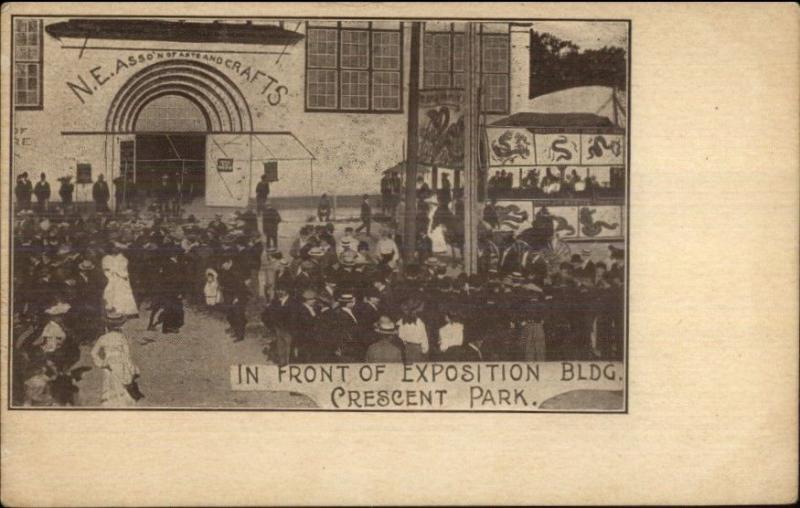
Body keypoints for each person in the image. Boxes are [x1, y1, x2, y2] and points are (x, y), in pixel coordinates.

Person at [90, 311, 141, 407]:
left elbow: (93, 353)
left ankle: (110, 404)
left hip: (108, 364)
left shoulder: (103, 338)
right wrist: (131, 367)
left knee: (109, 384)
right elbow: (127, 354)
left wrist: (101, 363)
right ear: (119, 325)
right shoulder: (121, 338)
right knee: (121, 385)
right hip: (120, 363)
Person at [102, 243, 138, 317]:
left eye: (117, 248)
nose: (115, 249)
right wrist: (110, 272)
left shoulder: (122, 258)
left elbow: (124, 267)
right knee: (110, 292)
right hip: (111, 278)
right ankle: (110, 308)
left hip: (120, 278)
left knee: (122, 293)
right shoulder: (106, 258)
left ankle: (123, 310)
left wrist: (118, 272)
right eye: (114, 248)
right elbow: (105, 268)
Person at [397, 298, 429, 362]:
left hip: (405, 350)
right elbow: (424, 342)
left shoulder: (400, 322)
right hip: (417, 350)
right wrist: (424, 351)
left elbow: (399, 338)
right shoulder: (419, 323)